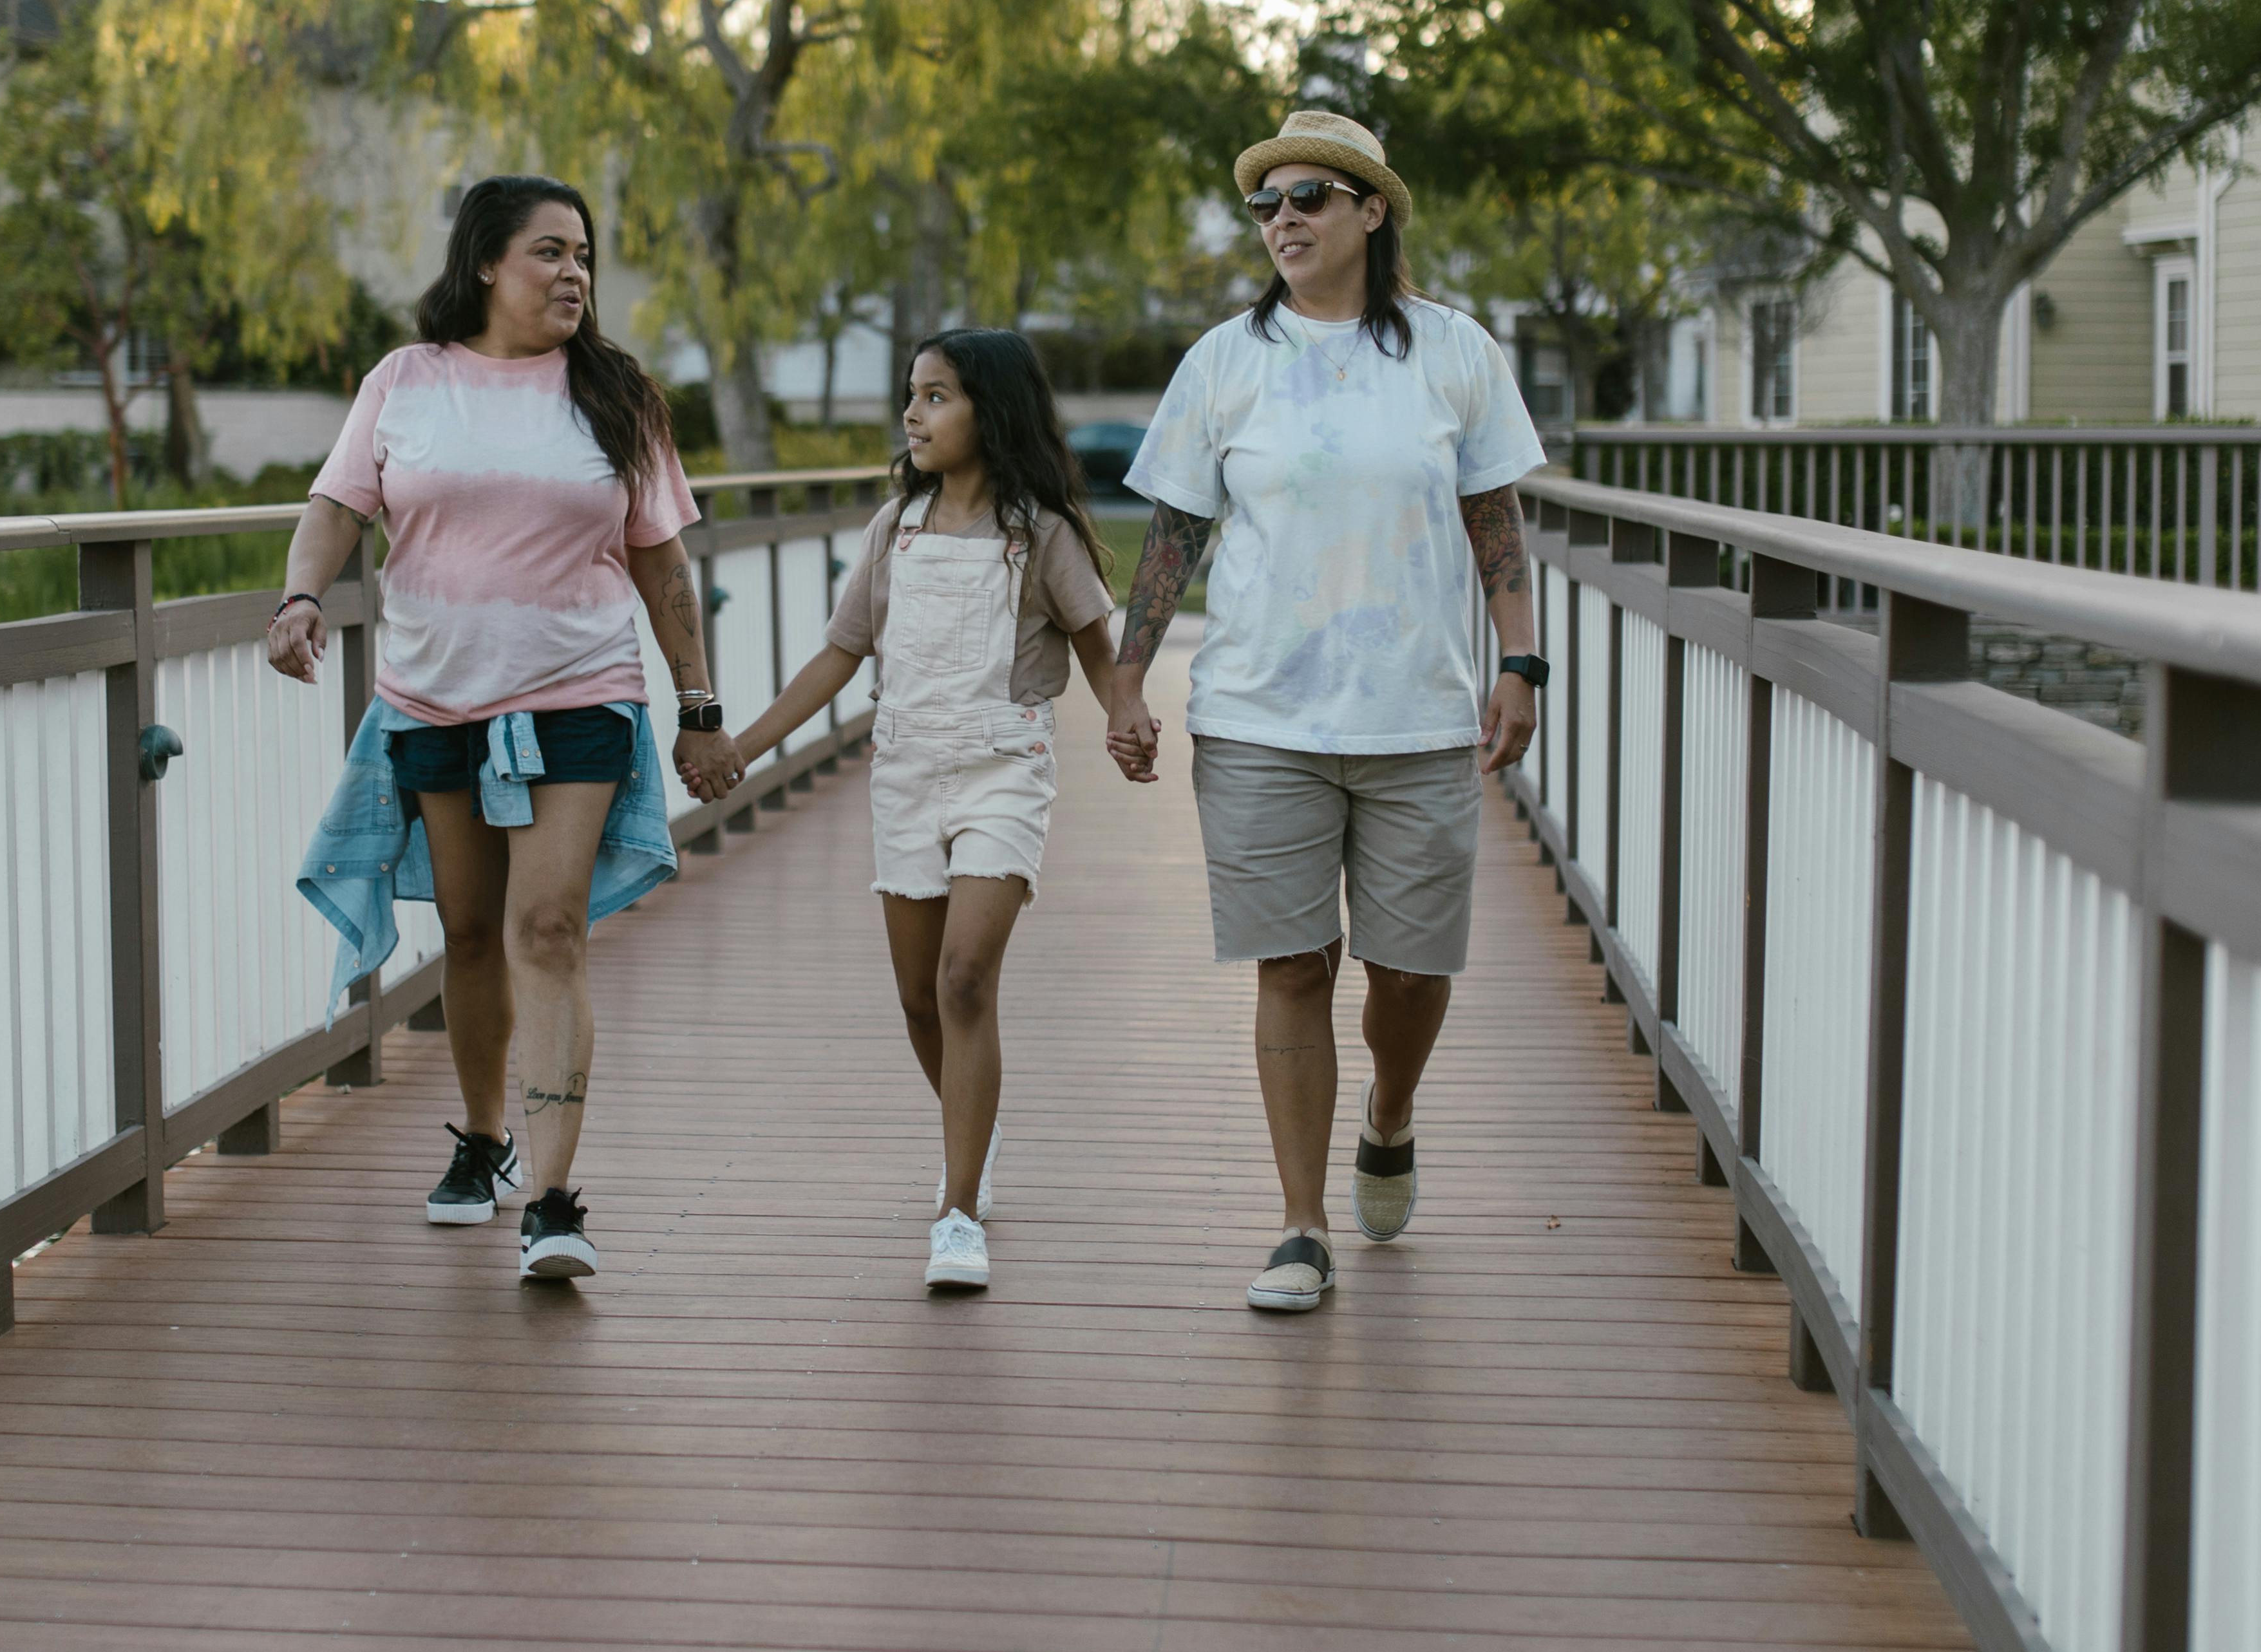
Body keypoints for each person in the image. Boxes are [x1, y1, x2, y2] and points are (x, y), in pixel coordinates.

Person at [1099, 111, 1547, 1313]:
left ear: (1370, 210)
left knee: (1407, 969)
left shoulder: (1452, 353)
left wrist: (1524, 662)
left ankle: (1389, 1113)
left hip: (1416, 715)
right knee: (1293, 964)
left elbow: (1494, 521)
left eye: (1307, 197)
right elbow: (1174, 531)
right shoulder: (1224, 362)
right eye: (1265, 204)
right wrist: (1129, 674)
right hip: (1257, 714)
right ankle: (1299, 1225)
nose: (1281, 219)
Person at [273, 176, 742, 1282]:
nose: (574, 272)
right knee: (473, 932)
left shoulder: (616, 394)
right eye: (548, 251)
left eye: (583, 253)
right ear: (486, 261)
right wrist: (299, 600)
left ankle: (554, 1196)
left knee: (547, 931)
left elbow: (661, 558)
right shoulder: (406, 381)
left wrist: (698, 706)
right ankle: (484, 1139)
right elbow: (338, 507)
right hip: (434, 696)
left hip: (581, 692)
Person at [719, 330, 1136, 1292]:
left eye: (937, 396)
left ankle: (956, 1212)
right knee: (916, 997)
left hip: (1003, 768)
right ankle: (971, 1135)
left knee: (962, 980)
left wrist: (1128, 716)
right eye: (912, 395)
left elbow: (1094, 646)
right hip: (905, 771)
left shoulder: (1042, 533)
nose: (913, 414)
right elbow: (839, 652)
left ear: (990, 411)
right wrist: (744, 744)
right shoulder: (893, 528)